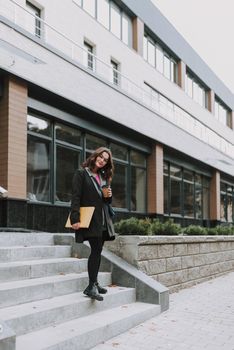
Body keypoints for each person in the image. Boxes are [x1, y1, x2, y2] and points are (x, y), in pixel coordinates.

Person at [70, 147, 116, 301]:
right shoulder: (82, 173)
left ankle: (94, 283)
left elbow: (105, 201)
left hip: (102, 219)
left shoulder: (103, 176)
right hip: (90, 219)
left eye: (105, 160)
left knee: (98, 250)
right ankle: (91, 286)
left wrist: (108, 196)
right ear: (95, 156)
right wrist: (74, 219)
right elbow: (76, 197)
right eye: (101, 157)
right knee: (96, 250)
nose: (102, 160)